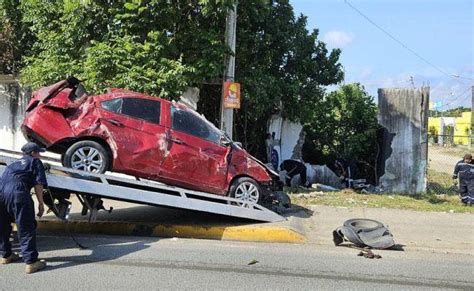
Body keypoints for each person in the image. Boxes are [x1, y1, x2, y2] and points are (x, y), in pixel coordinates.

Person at [0, 142, 48, 273]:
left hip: (1, 193)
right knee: (26, 226)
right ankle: (31, 262)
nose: (40, 155)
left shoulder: (12, 164)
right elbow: (38, 183)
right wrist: (41, 203)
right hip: (18, 193)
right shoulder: (35, 162)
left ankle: (5, 255)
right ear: (32, 153)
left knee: (3, 226)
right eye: (38, 153)